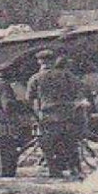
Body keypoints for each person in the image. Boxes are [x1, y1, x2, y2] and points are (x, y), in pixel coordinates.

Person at [27, 49, 87, 177]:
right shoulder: (67, 75)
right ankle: (78, 178)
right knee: (72, 153)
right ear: (54, 61)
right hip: (68, 120)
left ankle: (56, 181)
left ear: (39, 62)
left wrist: (36, 118)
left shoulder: (35, 78)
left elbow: (29, 101)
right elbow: (81, 91)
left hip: (47, 121)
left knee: (50, 158)